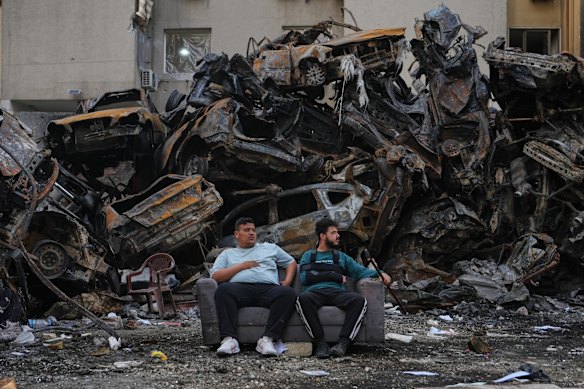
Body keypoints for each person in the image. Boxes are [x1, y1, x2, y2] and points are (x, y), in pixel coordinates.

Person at [295, 218, 392, 358]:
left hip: (336, 292)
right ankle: (321, 344)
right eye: (333, 233)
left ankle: (343, 344)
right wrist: (335, 276)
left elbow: (359, 272)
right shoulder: (308, 256)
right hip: (314, 292)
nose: (338, 236)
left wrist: (380, 273)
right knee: (302, 299)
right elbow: (306, 278)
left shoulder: (341, 257)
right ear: (323, 236)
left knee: (359, 301)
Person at [209, 217, 297, 357]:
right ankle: (229, 340)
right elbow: (215, 276)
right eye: (246, 230)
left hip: (268, 289)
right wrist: (241, 266)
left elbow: (291, 262)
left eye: (253, 230)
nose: (251, 233)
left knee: (288, 293)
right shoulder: (227, 254)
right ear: (237, 234)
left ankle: (267, 340)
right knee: (223, 290)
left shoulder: (270, 248)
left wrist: (287, 281)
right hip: (239, 289)